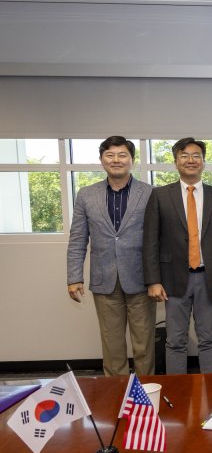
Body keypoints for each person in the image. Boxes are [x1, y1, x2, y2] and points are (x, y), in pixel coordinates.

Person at [66, 136, 155, 376]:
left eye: (122, 155)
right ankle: (116, 398)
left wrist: (158, 278)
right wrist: (74, 277)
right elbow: (78, 239)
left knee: (144, 345)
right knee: (112, 346)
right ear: (102, 160)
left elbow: (158, 239)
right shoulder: (86, 195)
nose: (116, 160)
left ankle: (145, 398)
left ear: (132, 160)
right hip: (104, 281)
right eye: (110, 155)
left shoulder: (149, 193)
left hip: (141, 280)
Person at [143, 137, 212, 374]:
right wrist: (153, 280)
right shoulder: (160, 195)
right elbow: (150, 240)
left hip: (209, 279)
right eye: (184, 156)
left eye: (196, 156)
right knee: (175, 341)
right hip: (172, 279)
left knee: (209, 339)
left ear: (203, 162)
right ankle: (177, 396)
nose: (191, 160)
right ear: (175, 162)